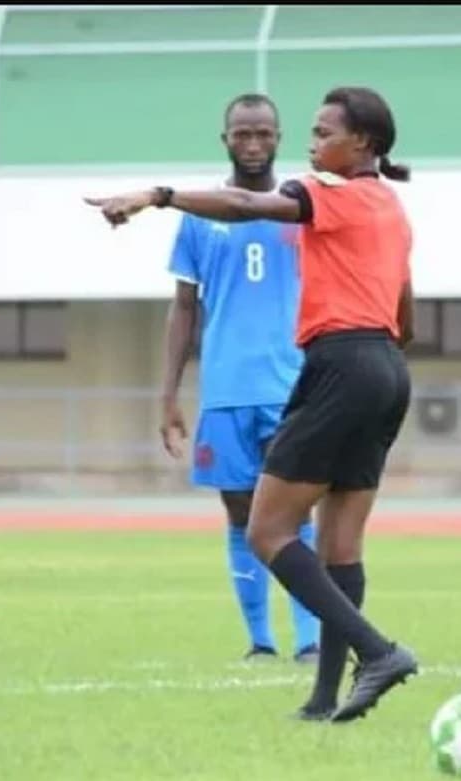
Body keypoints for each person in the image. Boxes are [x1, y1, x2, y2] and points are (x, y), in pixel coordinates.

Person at [87, 86, 418, 722]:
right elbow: (406, 309)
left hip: (339, 365)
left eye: (325, 133)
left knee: (266, 529)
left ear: (364, 144)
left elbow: (241, 204)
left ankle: (377, 652)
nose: (312, 142)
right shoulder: (392, 208)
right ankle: (325, 697)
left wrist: (157, 196)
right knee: (339, 546)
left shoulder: (326, 194)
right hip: (386, 369)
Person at [160, 93, 320, 664]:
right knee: (238, 512)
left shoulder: (302, 207)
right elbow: (184, 308)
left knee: (296, 512)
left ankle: (309, 637)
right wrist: (169, 395)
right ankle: (260, 639)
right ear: (224, 139)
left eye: (264, 133)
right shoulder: (200, 214)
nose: (253, 143)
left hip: (293, 387)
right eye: (242, 134)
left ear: (280, 138)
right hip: (226, 389)